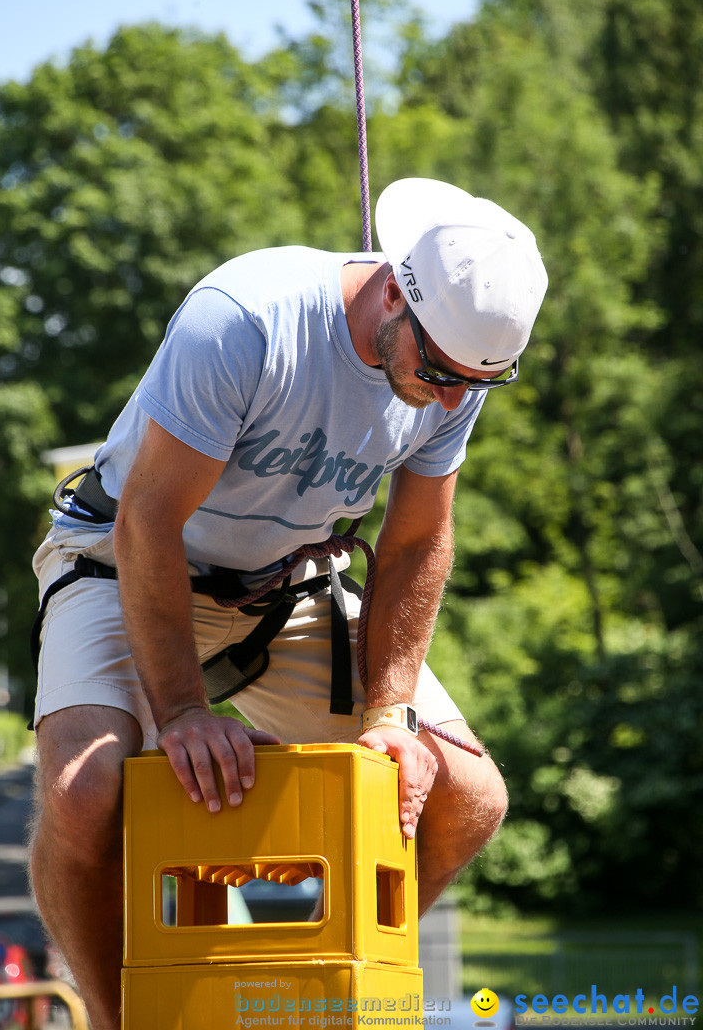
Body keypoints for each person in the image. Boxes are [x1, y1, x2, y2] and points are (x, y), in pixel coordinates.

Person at [28, 177, 547, 1030]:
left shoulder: (456, 361)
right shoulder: (246, 319)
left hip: (284, 584)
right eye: (443, 373)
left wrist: (391, 713)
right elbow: (150, 523)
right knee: (86, 794)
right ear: (393, 291)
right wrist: (186, 712)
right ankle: (121, 1018)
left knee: (467, 797)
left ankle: (315, 988)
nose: (454, 400)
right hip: (121, 563)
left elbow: (418, 541)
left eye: (480, 382)